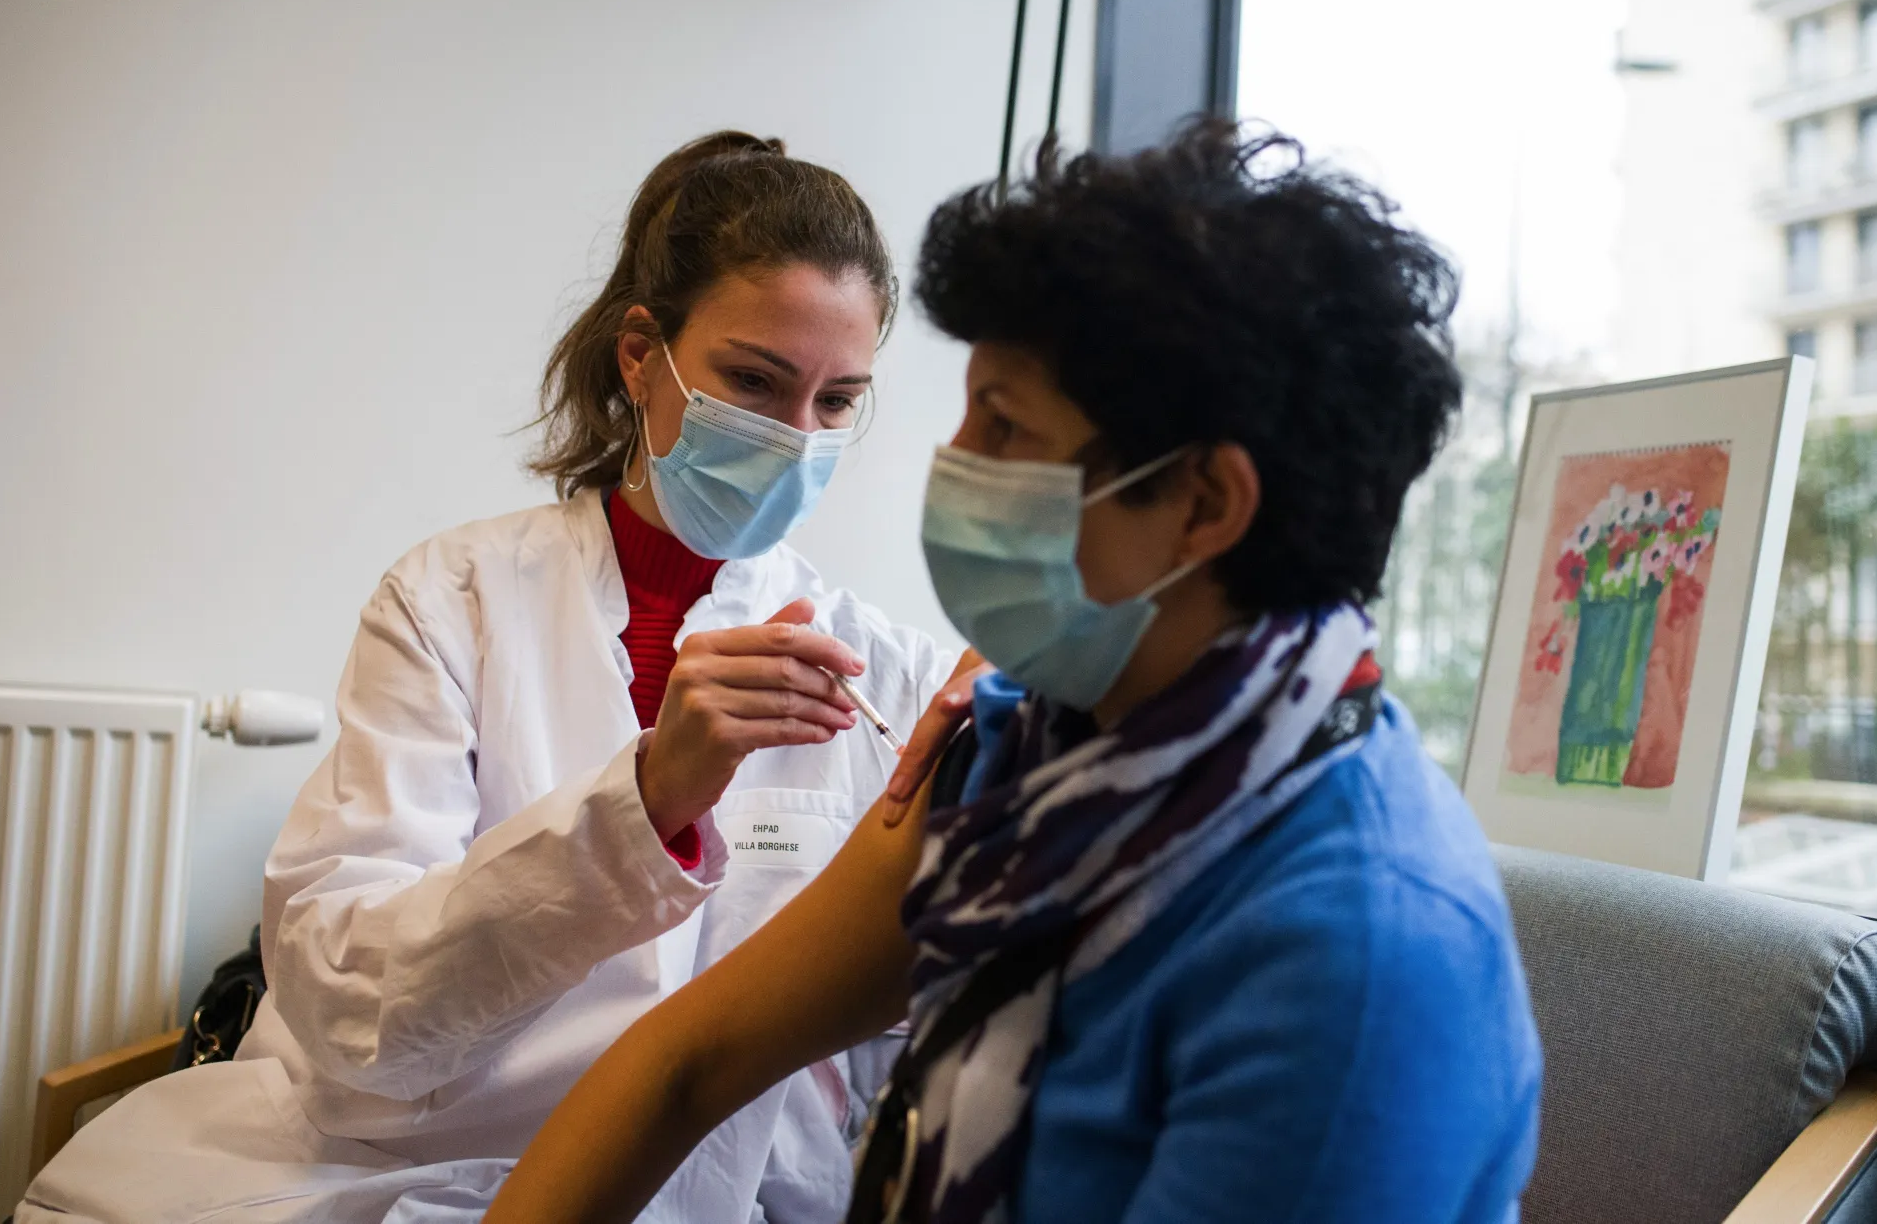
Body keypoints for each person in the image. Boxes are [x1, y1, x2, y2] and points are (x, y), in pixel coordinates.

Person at [486, 120, 1544, 1224]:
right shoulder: (1031, 747)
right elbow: (689, 1062)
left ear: (1201, 503)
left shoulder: (1351, 967)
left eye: (1003, 424)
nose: (955, 464)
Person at [20, 131, 954, 1224]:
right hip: (400, 1168)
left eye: (835, 402)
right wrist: (645, 805)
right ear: (640, 355)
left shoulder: (886, 671)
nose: (794, 440)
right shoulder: (452, 599)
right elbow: (341, 995)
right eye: (753, 381)